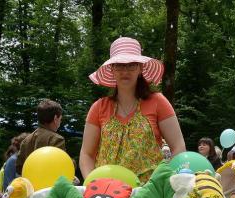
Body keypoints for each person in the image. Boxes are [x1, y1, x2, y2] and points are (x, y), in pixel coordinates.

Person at [80, 37, 186, 184]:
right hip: (105, 196)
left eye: (132, 65)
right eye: (119, 65)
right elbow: (86, 154)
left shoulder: (158, 102)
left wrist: (162, 183)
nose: (125, 71)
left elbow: (178, 147)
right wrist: (92, 184)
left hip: (147, 195)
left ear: (140, 68)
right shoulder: (98, 108)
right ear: (112, 68)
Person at [16, 99, 66, 174]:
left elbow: (19, 167)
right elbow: (61, 165)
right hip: (49, 183)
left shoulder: (26, 140)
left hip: (30, 183)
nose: (60, 122)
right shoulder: (57, 139)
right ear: (55, 118)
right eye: (60, 119)